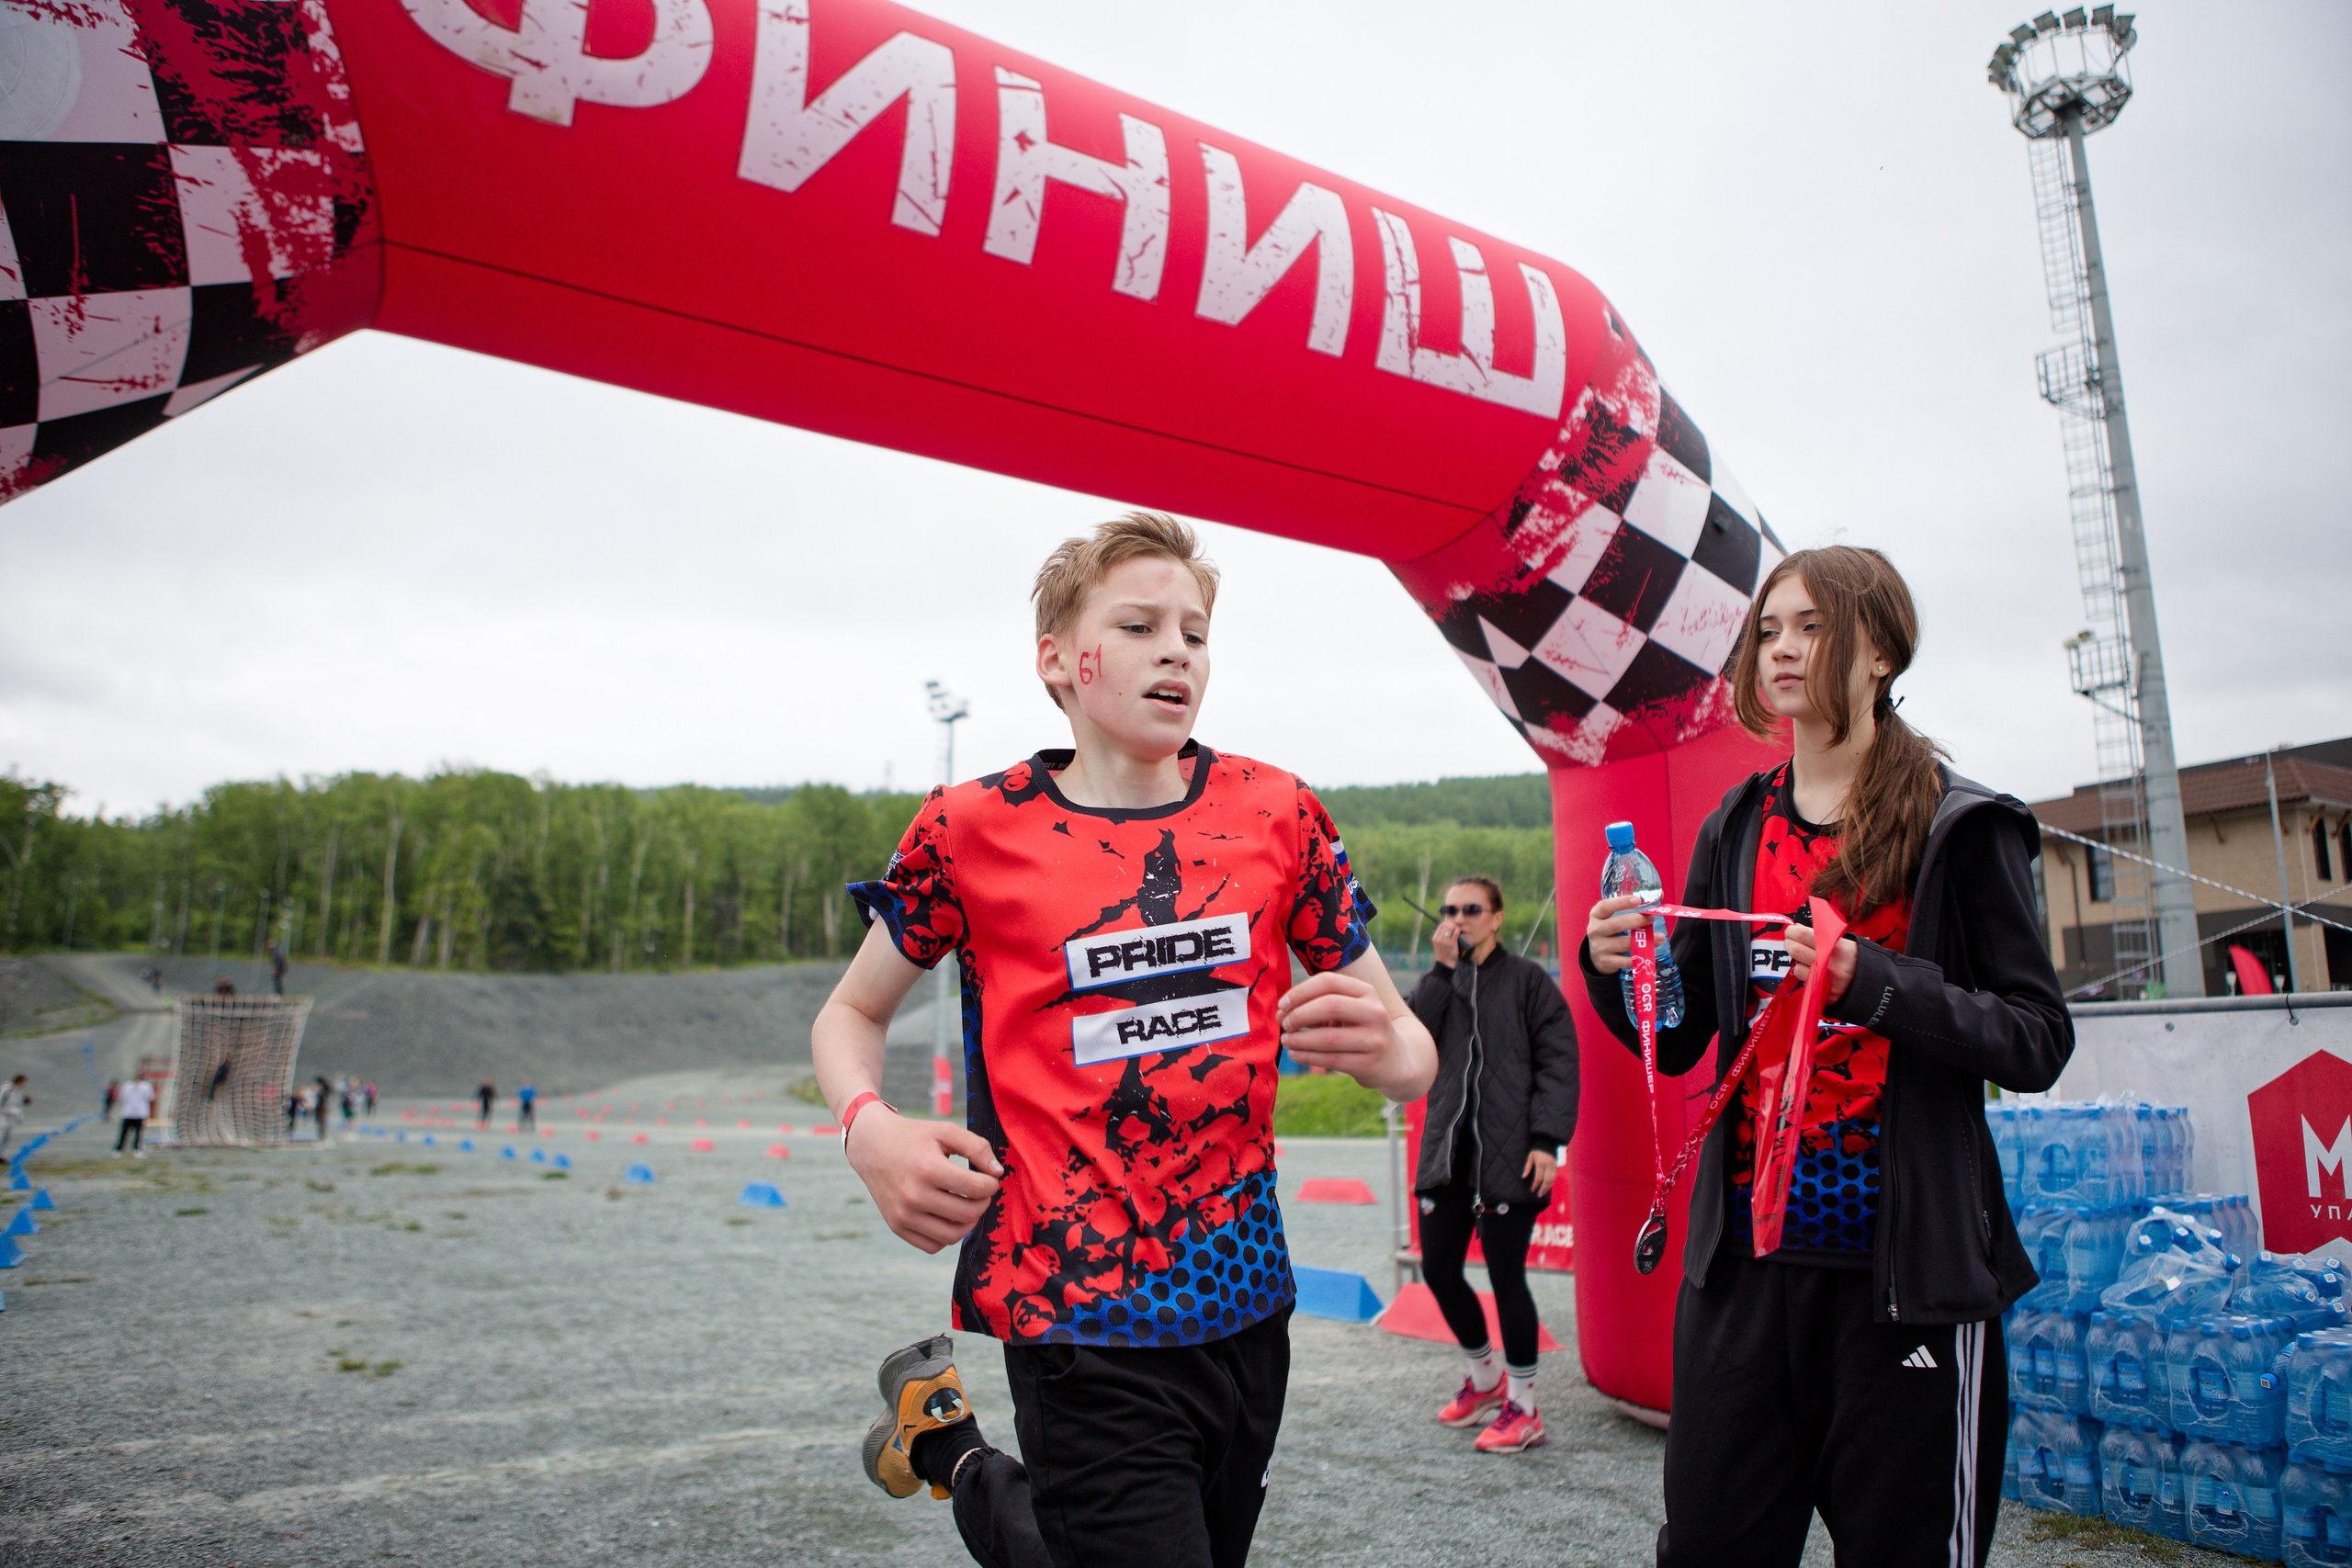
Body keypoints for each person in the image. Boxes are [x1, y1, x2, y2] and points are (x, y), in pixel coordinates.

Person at [813, 513, 1436, 1568]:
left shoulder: (1279, 815)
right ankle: (959, 1454)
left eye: (1194, 633)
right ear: (1058, 660)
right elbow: (850, 1014)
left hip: (1245, 1299)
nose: (1175, 652)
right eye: (1139, 625)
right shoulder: (971, 829)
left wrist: (1385, 1052)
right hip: (1073, 1306)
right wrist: (868, 1130)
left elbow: (1412, 1049)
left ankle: (951, 1452)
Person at [1580, 546, 2070, 1568]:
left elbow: (2035, 1038)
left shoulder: (1959, 824)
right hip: (1745, 1275)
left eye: (1811, 627)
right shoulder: (1737, 822)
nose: (1783, 650)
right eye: (1769, 630)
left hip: (1905, 1277)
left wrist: (1871, 983)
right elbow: (1677, 1037)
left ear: (1881, 652)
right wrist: (1612, 966)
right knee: (1711, 1547)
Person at [1408, 875, 1578, 1455]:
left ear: (1498, 918)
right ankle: (1486, 1378)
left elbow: (1559, 1061)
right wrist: (1438, 971)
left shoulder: (1527, 981)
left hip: (1511, 1158)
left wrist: (1546, 1140)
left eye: (1472, 909)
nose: (1459, 919)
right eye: (1450, 910)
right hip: (1448, 1155)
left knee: (1507, 1277)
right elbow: (1414, 1041)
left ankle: (1525, 1408)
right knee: (1438, 1269)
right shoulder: (1442, 983)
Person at [114, 1075, 155, 1156]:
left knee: (138, 1133)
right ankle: (120, 1149)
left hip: (139, 1113)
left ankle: (136, 1149)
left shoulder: (145, 1086)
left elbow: (151, 1098)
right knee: (125, 1133)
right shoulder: (127, 1086)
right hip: (129, 1113)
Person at [0, 1073, 28, 1157]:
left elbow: (19, 1103)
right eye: (24, 1082)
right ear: (20, 1081)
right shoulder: (8, 1089)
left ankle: (2, 1154)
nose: (25, 1084)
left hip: (12, 1117)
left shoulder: (18, 1090)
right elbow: (3, 1103)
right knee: (1, 1133)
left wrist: (26, 1100)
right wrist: (16, 1112)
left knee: (8, 1135)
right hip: (3, 1115)